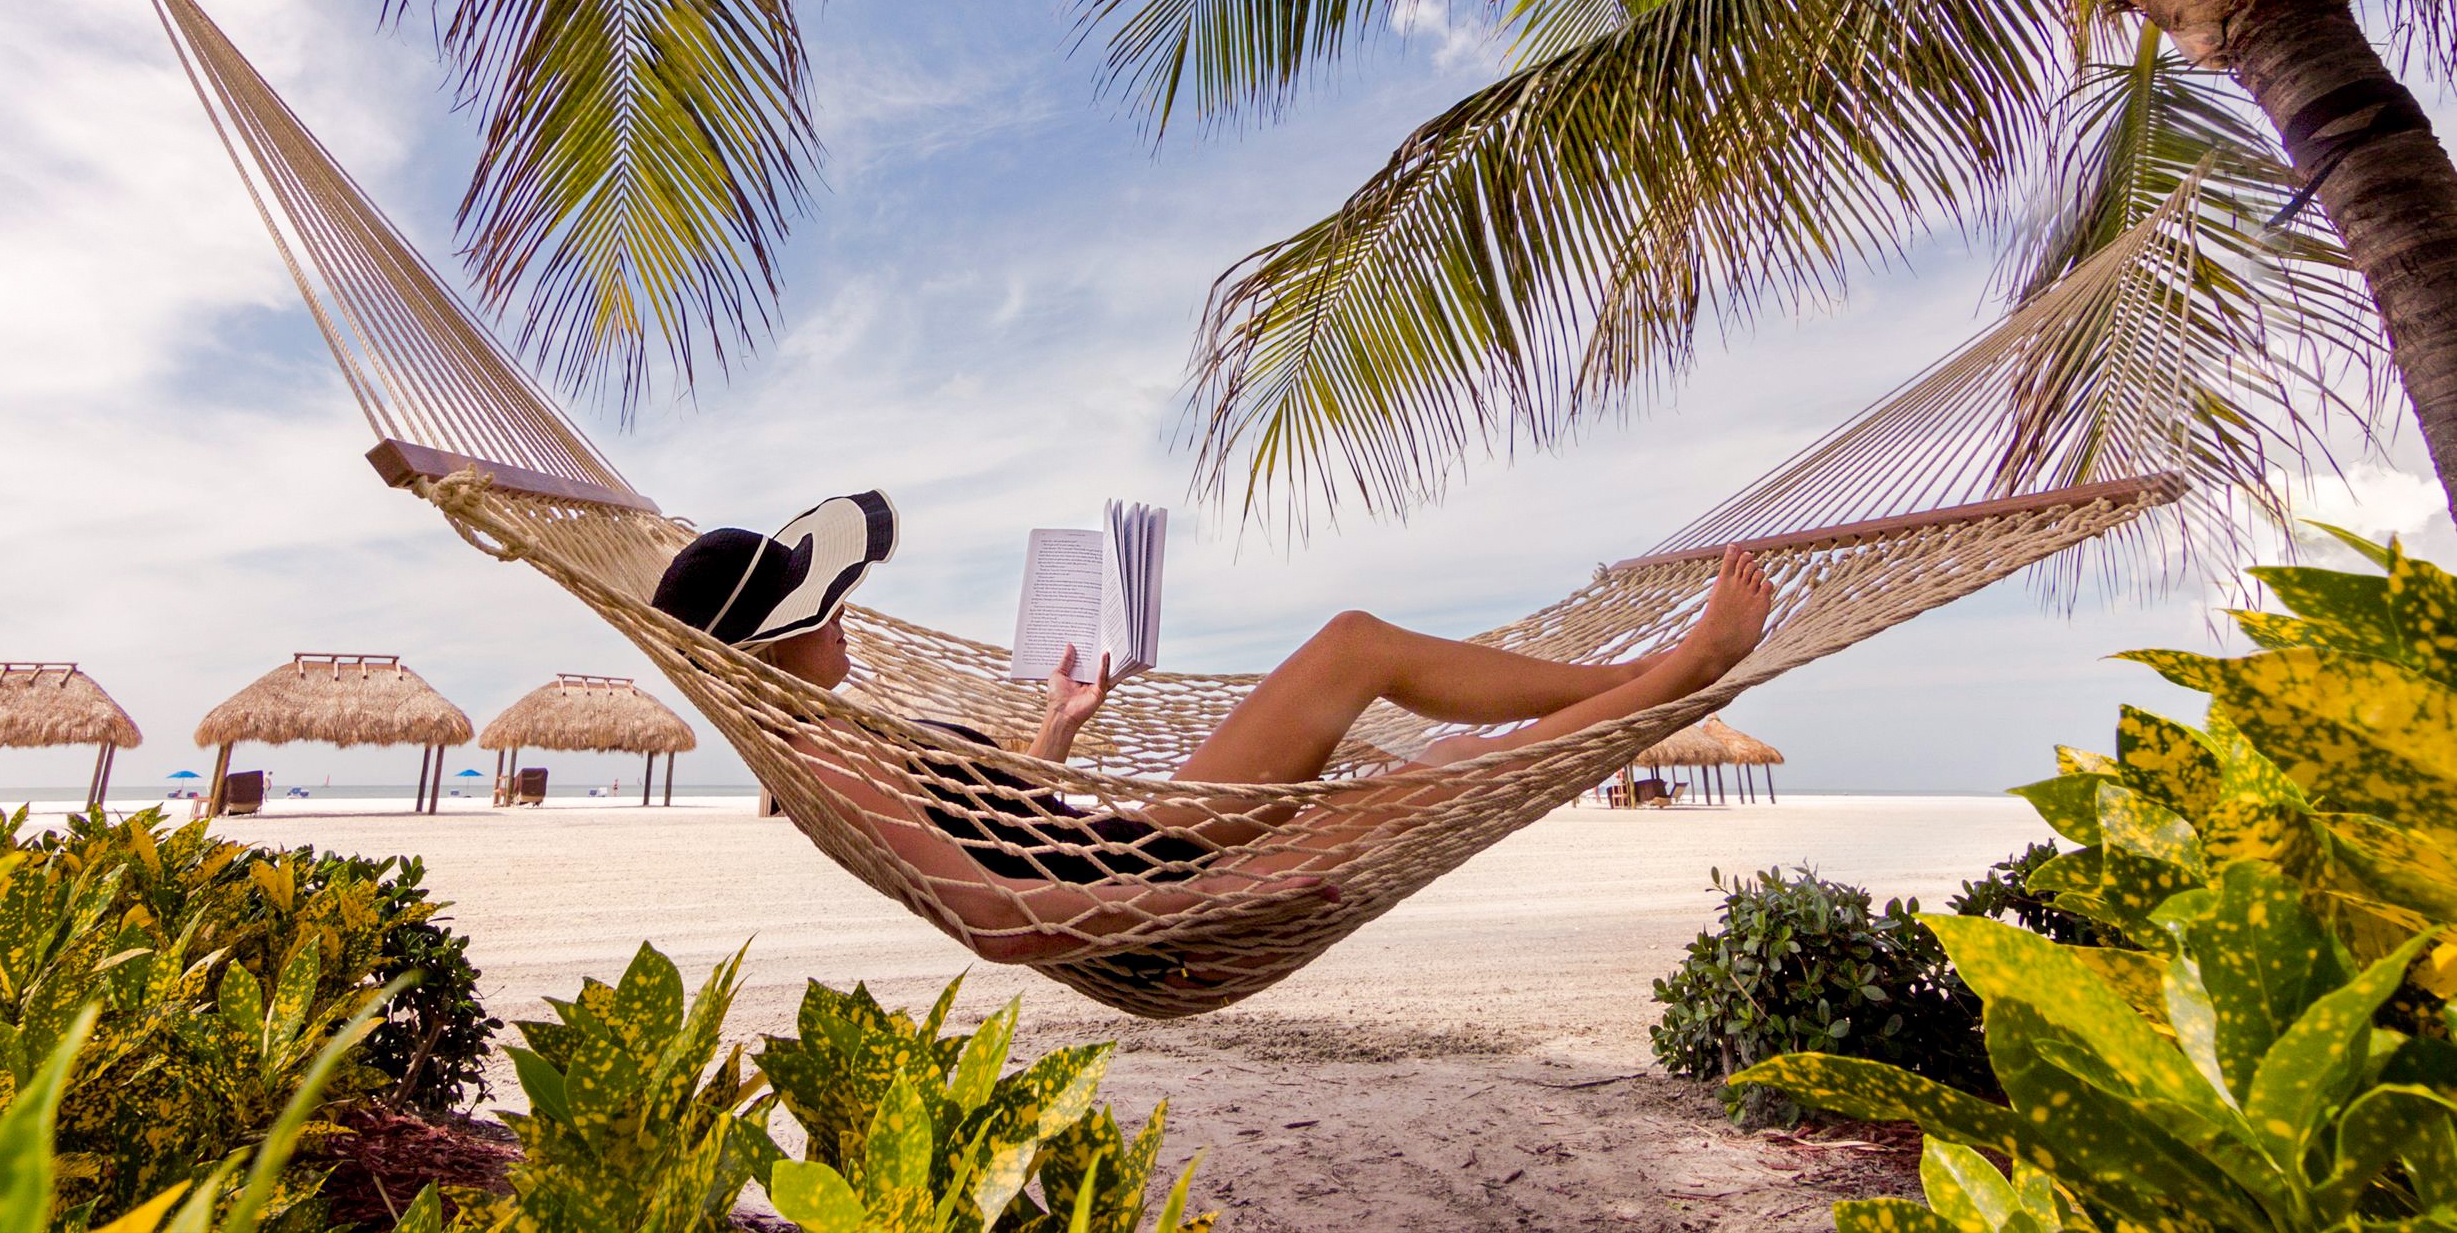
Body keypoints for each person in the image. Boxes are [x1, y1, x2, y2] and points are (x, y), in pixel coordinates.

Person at [652, 490, 1775, 963]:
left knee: (1363, 659)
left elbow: (999, 824)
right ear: (765, 647)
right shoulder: (824, 758)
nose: (845, 612)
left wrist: (1058, 725)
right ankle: (1684, 669)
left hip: (1127, 837)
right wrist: (1218, 902)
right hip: (1149, 874)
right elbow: (989, 910)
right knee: (1430, 767)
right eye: (821, 608)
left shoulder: (834, 731)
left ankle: (1639, 674)